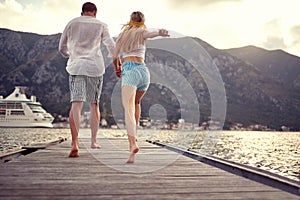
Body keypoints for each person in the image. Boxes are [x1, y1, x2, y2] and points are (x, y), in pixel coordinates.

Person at [58, 2, 117, 157]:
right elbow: (111, 46)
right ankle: (93, 141)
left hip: (76, 67)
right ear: (95, 12)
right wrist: (118, 63)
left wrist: (71, 56)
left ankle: (75, 143)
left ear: (82, 12)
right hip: (94, 68)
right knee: (94, 105)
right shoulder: (101, 25)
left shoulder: (72, 23)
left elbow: (61, 48)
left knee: (76, 104)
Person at [113, 11, 169, 163]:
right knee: (136, 103)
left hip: (130, 70)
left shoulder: (123, 35)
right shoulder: (142, 32)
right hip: (144, 71)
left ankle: (132, 144)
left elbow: (114, 56)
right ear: (143, 21)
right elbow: (150, 34)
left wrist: (118, 68)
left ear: (130, 20)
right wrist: (160, 32)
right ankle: (135, 135)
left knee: (128, 109)